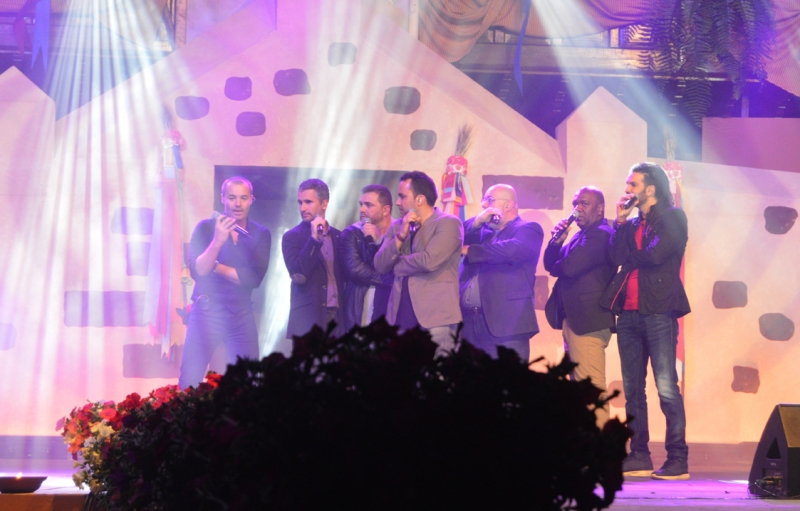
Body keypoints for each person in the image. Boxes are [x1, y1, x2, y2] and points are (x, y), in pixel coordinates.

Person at [600, 162, 691, 480]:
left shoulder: (673, 217)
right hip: (628, 313)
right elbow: (614, 258)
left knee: (666, 387)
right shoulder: (632, 223)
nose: (627, 190)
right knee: (632, 388)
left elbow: (655, 255)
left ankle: (678, 458)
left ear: (650, 189)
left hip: (659, 311)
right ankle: (639, 455)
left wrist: (629, 257)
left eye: (633, 184)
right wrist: (619, 222)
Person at [179, 176, 271, 389]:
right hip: (206, 311)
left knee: (249, 380)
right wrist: (218, 241)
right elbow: (198, 271)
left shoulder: (260, 234)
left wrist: (215, 266)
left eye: (243, 198)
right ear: (222, 198)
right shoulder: (205, 228)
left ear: (251, 200)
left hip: (241, 313)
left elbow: (253, 279)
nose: (238, 203)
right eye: (232, 197)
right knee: (190, 379)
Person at [543, 186, 616, 427]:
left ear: (600, 208)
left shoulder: (601, 234)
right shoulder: (580, 235)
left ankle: (602, 444)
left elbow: (568, 267)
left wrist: (560, 264)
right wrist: (557, 241)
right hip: (575, 321)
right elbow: (550, 264)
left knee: (591, 388)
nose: (578, 208)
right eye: (576, 203)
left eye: (584, 203)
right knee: (580, 390)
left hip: (589, 321)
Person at [374, 171, 463, 355]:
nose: (397, 202)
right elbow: (380, 265)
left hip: (435, 317)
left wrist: (397, 264)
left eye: (402, 196)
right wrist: (401, 235)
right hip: (400, 315)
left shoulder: (448, 223)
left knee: (436, 371)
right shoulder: (398, 226)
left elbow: (429, 261)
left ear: (420, 199)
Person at [458, 184, 542, 361]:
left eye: (489, 200)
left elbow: (512, 250)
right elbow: (454, 238)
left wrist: (471, 250)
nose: (483, 205)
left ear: (508, 205)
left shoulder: (528, 229)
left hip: (507, 324)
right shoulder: (481, 231)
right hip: (469, 323)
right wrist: (477, 221)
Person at [282, 179, 345, 340]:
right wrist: (314, 239)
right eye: (300, 202)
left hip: (337, 316)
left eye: (308, 202)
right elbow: (298, 275)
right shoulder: (292, 237)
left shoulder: (339, 236)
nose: (302, 208)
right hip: (308, 318)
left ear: (324, 204)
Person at [338, 184, 395, 330]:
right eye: (361, 204)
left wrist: (379, 241)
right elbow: (356, 270)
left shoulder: (401, 232)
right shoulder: (351, 233)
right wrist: (394, 280)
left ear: (386, 210)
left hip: (394, 303)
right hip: (363, 304)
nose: (362, 209)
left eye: (368, 205)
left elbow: (404, 264)